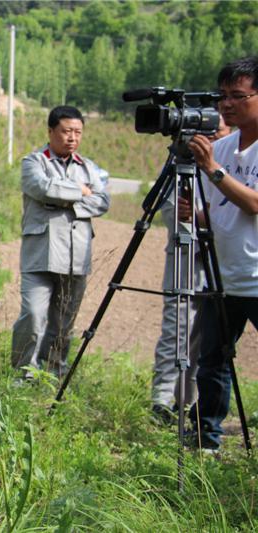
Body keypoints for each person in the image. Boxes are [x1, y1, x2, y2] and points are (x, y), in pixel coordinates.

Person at [184, 56, 258, 451]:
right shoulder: (223, 147)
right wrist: (193, 214)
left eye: (238, 96)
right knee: (212, 361)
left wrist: (213, 169)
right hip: (222, 276)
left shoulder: (216, 158)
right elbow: (216, 210)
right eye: (223, 95)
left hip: (256, 277)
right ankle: (205, 440)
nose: (227, 104)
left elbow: (254, 204)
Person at [11, 106, 110, 378]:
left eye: (78, 132)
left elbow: (103, 201)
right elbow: (43, 188)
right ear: (51, 131)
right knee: (33, 315)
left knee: (64, 323)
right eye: (66, 131)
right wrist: (80, 191)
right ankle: (23, 373)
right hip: (40, 253)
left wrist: (64, 201)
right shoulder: (33, 162)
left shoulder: (88, 167)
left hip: (76, 255)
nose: (72, 138)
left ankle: (53, 373)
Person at [150, 116, 231, 425]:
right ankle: (162, 400)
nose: (211, 139)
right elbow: (172, 211)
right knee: (176, 334)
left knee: (208, 341)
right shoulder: (183, 165)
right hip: (185, 260)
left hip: (221, 265)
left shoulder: (232, 167)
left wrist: (205, 219)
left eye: (217, 132)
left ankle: (189, 403)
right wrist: (197, 220)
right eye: (206, 133)